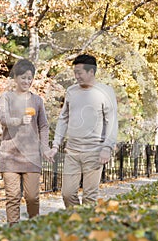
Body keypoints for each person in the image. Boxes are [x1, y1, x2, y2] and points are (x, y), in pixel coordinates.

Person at [48, 54, 118, 208]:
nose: (76, 76)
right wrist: (55, 145)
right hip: (72, 152)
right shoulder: (71, 91)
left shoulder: (105, 92)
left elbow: (112, 122)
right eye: (75, 72)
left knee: (89, 197)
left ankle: (84, 229)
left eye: (79, 72)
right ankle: (77, 223)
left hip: (94, 152)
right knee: (67, 194)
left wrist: (107, 147)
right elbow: (63, 118)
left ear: (91, 72)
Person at [0, 59, 50, 226]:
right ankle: (13, 232)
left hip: (31, 156)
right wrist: (19, 120)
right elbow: (3, 120)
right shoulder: (6, 97)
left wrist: (45, 147)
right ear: (15, 78)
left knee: (32, 197)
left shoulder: (37, 101)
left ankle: (33, 229)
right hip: (10, 154)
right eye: (23, 77)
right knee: (12, 197)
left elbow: (43, 126)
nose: (27, 81)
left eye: (30, 78)